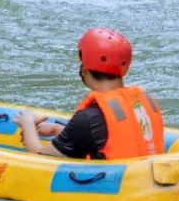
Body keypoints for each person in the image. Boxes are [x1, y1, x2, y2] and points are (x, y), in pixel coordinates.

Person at [18, 28, 164, 161]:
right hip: (143, 180)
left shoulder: (90, 117)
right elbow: (116, 137)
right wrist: (58, 130)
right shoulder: (144, 102)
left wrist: (27, 124)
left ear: (85, 70)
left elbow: (39, 156)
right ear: (124, 69)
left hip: (113, 186)